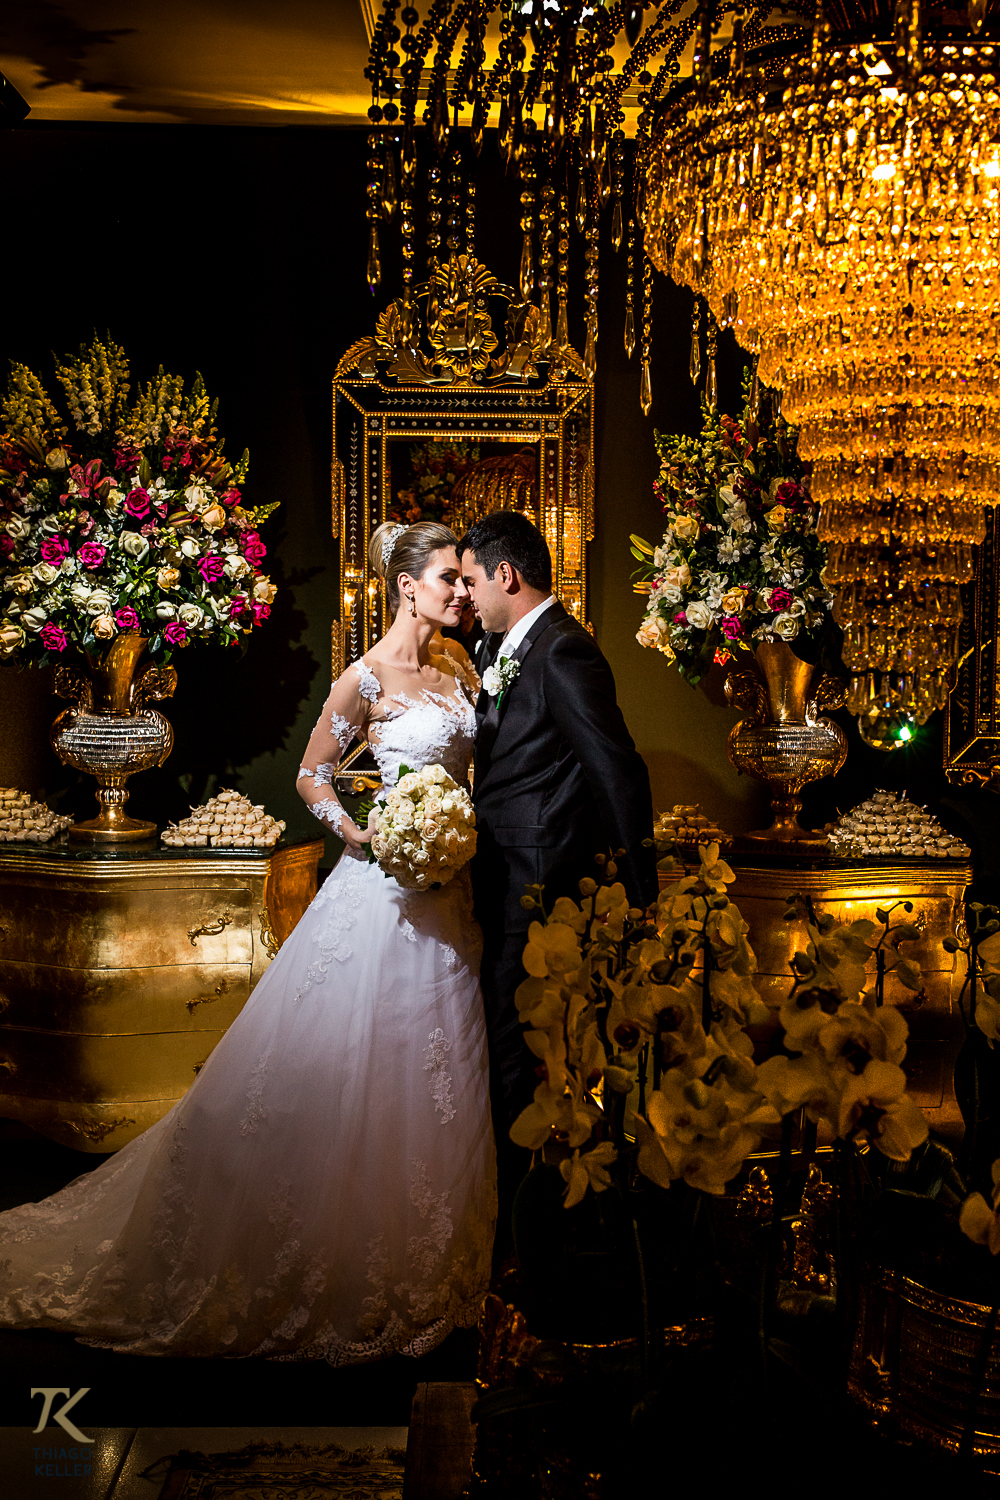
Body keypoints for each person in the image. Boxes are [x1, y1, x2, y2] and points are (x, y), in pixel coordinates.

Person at [0, 521, 496, 1364]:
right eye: (447, 578)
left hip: (448, 899)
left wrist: (450, 833)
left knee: (436, 1069)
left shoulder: (457, 670)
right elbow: (313, 775)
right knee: (352, 1069)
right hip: (380, 890)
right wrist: (360, 834)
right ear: (407, 586)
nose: (460, 591)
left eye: (463, 578)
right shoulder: (364, 678)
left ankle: (426, 1263)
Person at [459, 510, 658, 1223]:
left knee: (519, 1050)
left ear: (505, 575)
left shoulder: (564, 651)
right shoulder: (510, 648)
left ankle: (532, 1223)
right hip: (502, 873)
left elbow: (618, 771)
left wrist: (642, 892)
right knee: (504, 1040)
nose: (468, 596)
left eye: (474, 580)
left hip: (536, 884)